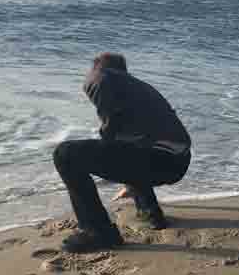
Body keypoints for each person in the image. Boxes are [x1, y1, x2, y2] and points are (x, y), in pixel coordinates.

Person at [52, 52, 192, 252]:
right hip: (177, 160)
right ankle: (150, 213)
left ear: (97, 66)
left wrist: (127, 178)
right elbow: (126, 140)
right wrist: (130, 180)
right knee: (132, 145)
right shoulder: (136, 87)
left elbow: (111, 136)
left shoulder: (101, 77)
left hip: (161, 161)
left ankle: (98, 232)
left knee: (65, 154)